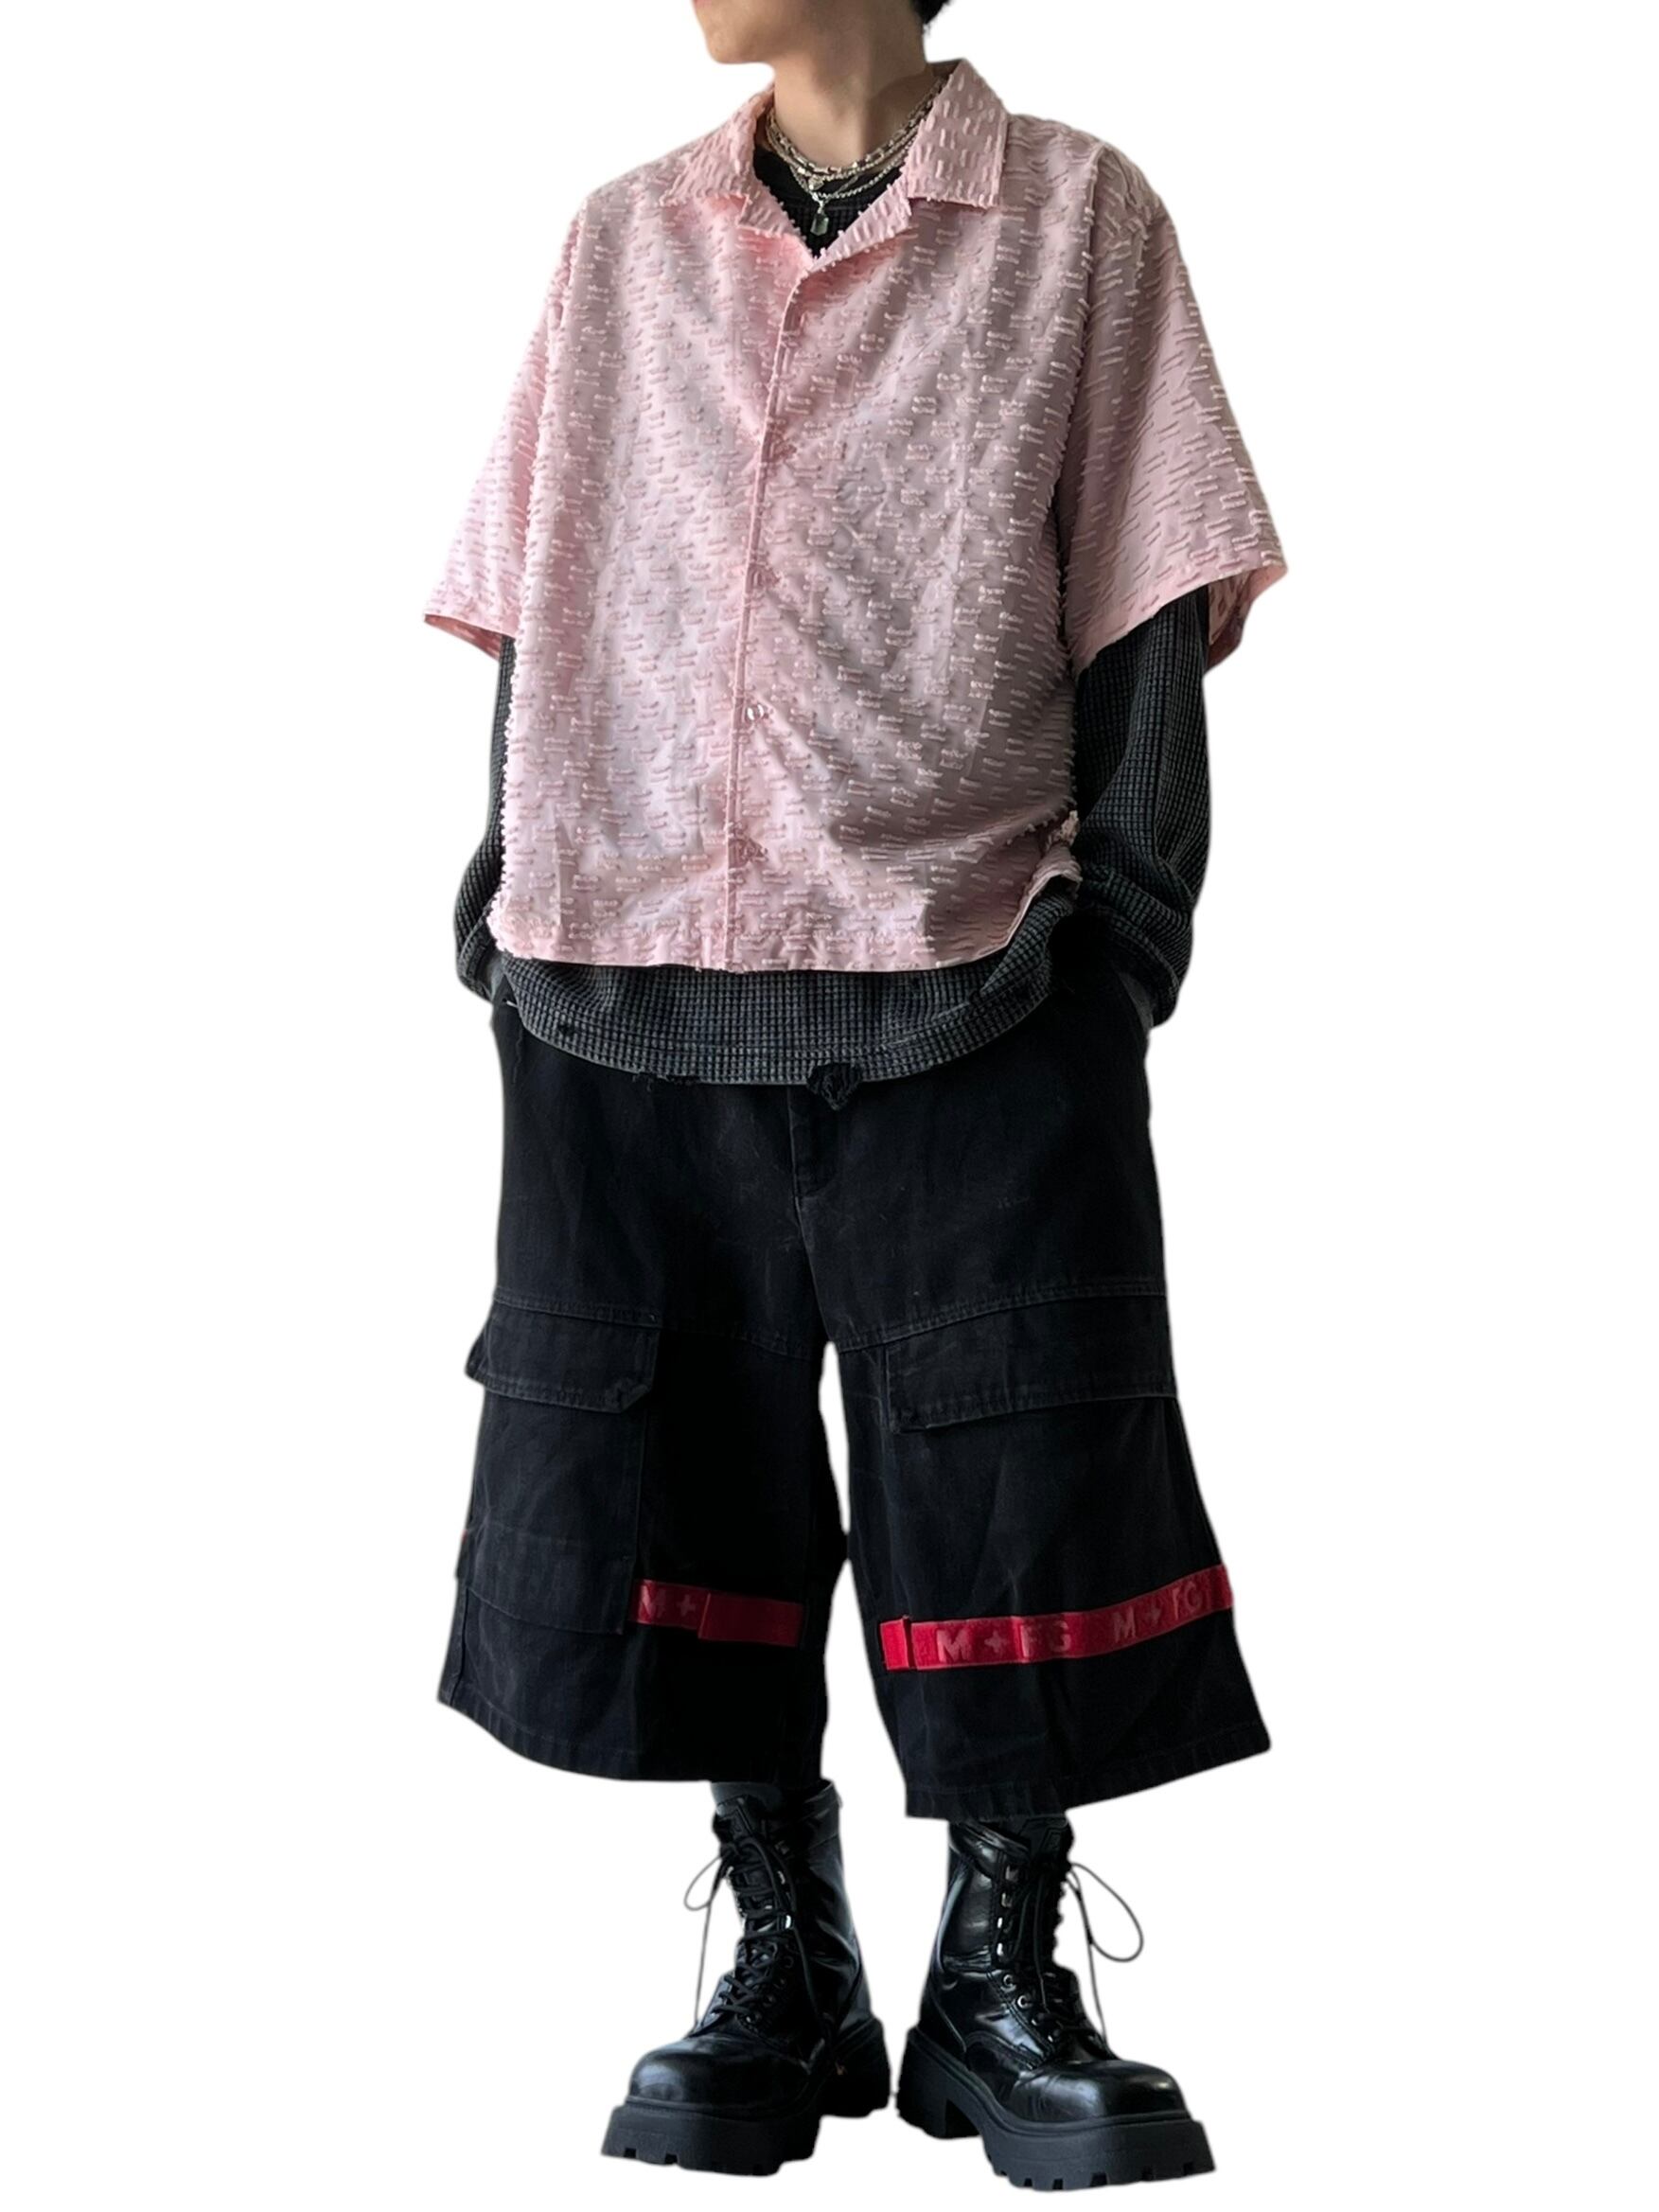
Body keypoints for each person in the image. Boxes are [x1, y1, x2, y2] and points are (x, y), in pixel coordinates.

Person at [422, 0, 1286, 2189]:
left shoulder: (1077, 219)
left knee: (1017, 1458)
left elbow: (1146, 592)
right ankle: (786, 1957)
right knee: (674, 1462)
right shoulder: (620, 238)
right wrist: (503, 897)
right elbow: (538, 588)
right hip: (621, 967)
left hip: (974, 963)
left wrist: (1121, 952)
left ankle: (996, 1974)